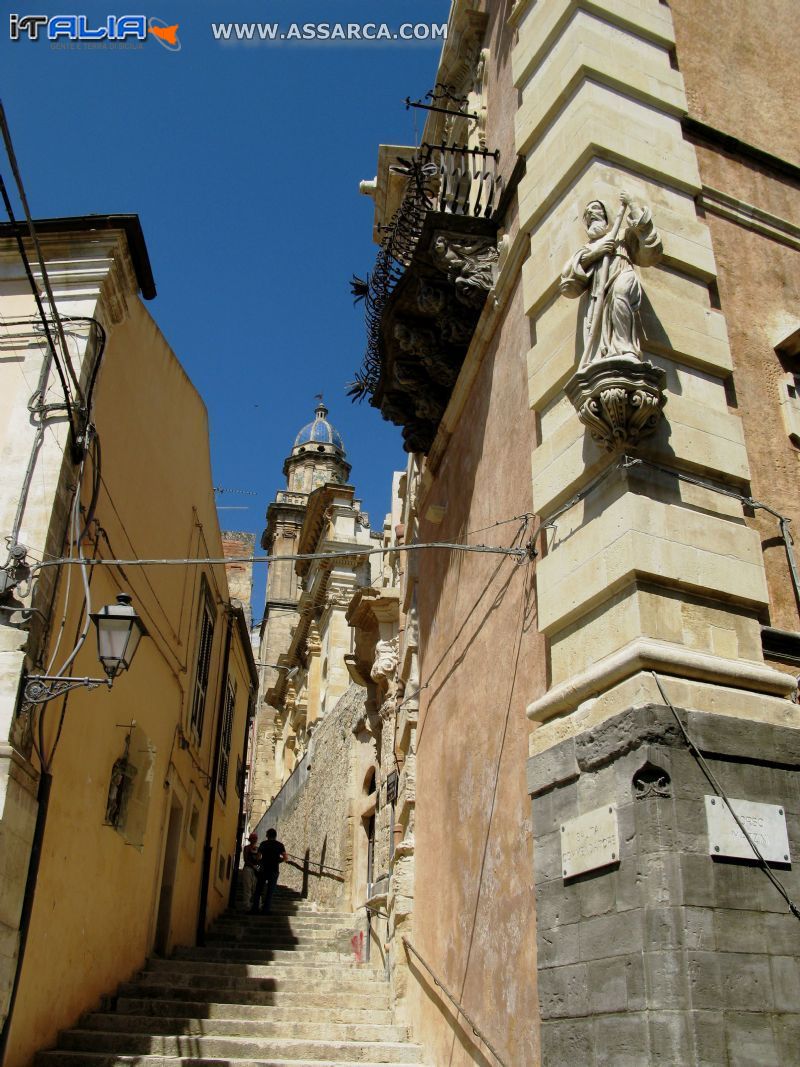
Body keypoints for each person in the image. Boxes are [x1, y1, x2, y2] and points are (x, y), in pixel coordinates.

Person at [560, 191, 662, 368]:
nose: (591, 213)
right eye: (587, 213)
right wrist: (596, 253)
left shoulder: (621, 235)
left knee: (620, 293)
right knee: (602, 324)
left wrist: (632, 204)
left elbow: (650, 246)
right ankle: (606, 352)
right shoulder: (588, 248)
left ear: (607, 214)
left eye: (596, 208)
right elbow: (567, 280)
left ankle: (625, 347)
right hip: (598, 293)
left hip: (622, 273)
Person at [253, 828, 287, 914]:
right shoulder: (280, 845)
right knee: (270, 891)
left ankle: (255, 908)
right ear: (275, 836)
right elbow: (285, 858)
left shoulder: (263, 844)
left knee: (258, 890)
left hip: (263, 869)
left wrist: (260, 862)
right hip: (274, 870)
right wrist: (278, 860)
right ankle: (266, 910)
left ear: (267, 835)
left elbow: (258, 857)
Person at [241, 832, 260, 912]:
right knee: (248, 887)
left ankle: (257, 905)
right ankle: (247, 905)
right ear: (250, 839)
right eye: (253, 838)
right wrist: (253, 866)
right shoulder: (246, 848)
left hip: (255, 870)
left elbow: (259, 859)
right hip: (248, 869)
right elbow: (245, 859)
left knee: (256, 887)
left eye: (255, 838)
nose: (254, 840)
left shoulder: (258, 849)